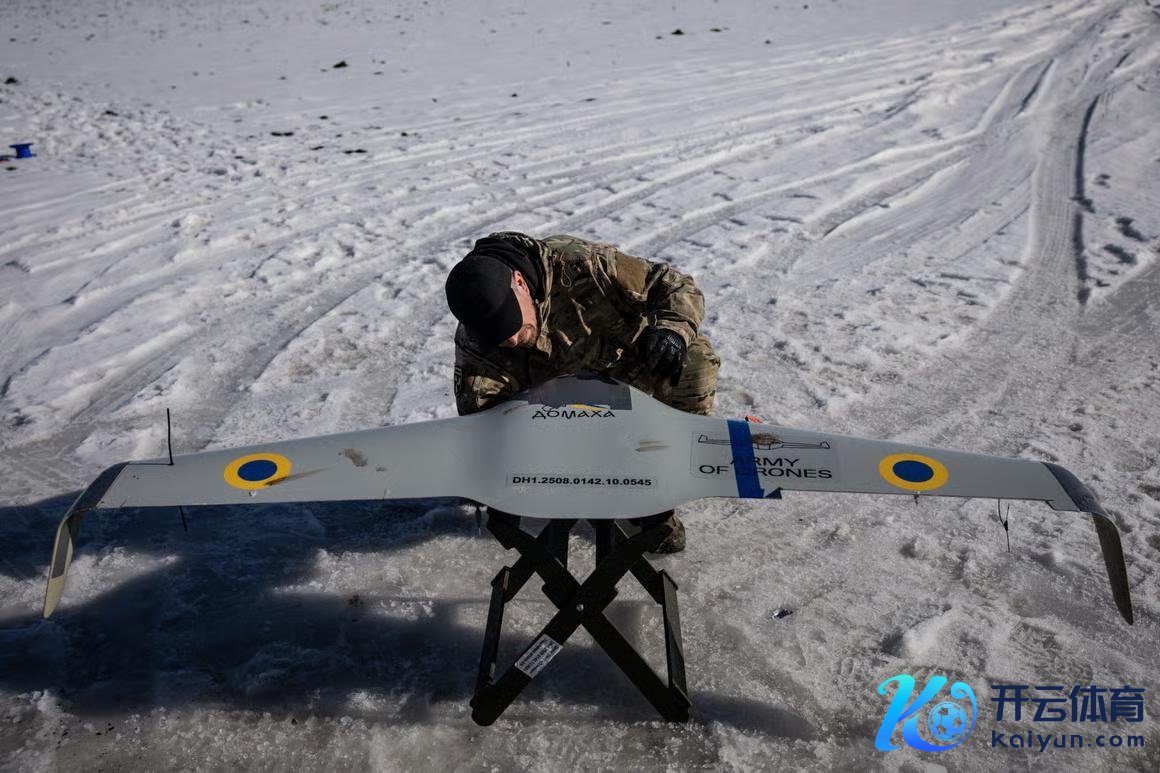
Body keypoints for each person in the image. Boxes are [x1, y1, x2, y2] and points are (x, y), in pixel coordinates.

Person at [444, 231, 720, 553]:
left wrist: (672, 330)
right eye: (498, 335)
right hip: (548, 408)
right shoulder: (475, 341)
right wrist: (500, 481)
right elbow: (479, 421)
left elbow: (674, 284)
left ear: (520, 283)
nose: (513, 340)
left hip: (625, 371)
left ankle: (662, 478)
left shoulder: (583, 265)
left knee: (695, 362)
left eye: (512, 323)